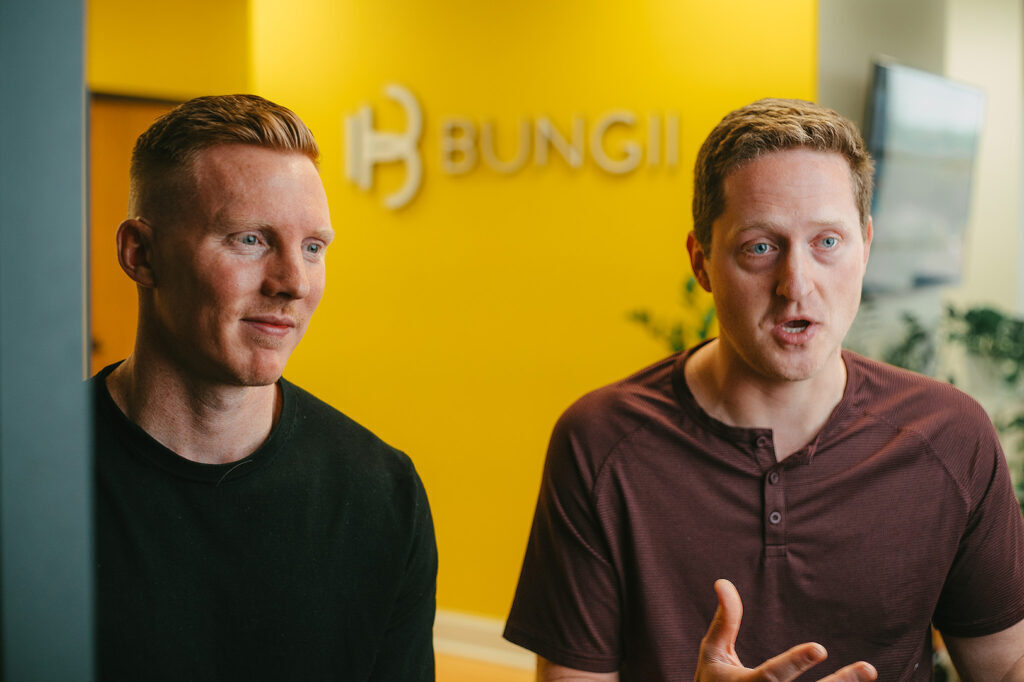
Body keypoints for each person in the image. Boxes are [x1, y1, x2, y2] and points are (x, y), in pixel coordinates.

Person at [503, 98, 1024, 681]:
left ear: (866, 246)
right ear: (701, 262)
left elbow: (1006, 668)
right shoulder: (599, 444)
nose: (796, 284)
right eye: (760, 247)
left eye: (828, 242)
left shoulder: (951, 436)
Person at [91, 94, 437, 681]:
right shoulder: (27, 474)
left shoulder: (382, 493)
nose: (293, 282)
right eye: (250, 239)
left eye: (313, 247)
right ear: (141, 254)